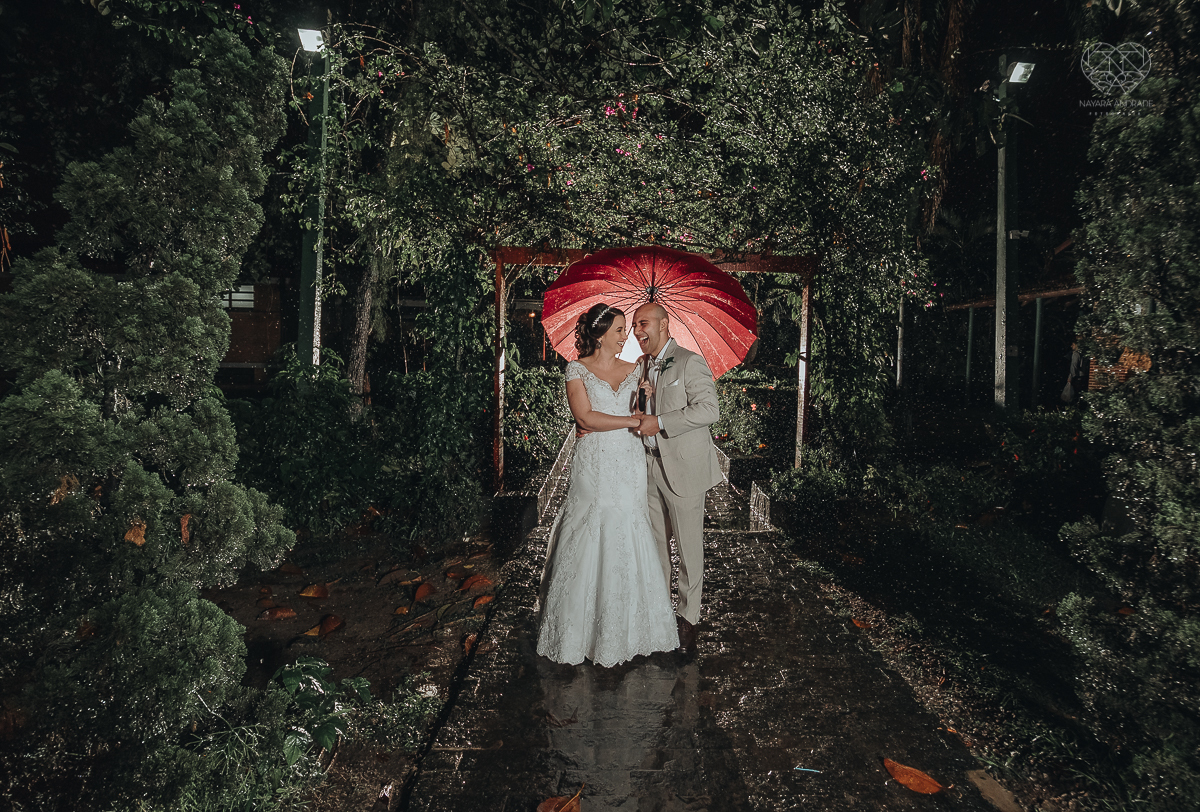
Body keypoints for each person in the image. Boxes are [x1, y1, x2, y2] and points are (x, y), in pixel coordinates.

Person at [536, 303, 680, 667]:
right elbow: (584, 417)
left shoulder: (637, 370)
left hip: (629, 463)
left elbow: (645, 414)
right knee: (589, 527)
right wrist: (628, 421)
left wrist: (645, 397)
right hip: (595, 463)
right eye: (619, 330)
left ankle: (633, 630)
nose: (626, 336)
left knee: (630, 529)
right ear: (600, 335)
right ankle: (577, 633)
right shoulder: (576, 370)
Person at [630, 302, 724, 654]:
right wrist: (642, 399)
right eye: (634, 325)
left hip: (683, 468)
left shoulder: (688, 361)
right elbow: (637, 414)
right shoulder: (641, 365)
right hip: (649, 467)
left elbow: (709, 409)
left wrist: (663, 420)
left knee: (688, 550)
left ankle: (688, 623)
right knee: (655, 550)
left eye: (643, 323)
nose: (637, 331)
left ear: (664, 324)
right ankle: (658, 619)